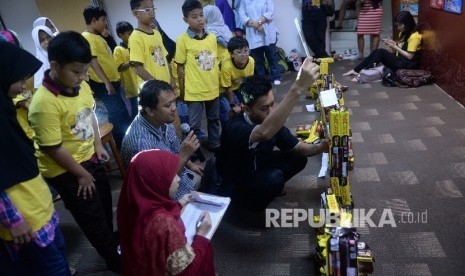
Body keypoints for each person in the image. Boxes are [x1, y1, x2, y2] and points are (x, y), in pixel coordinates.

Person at [28, 31, 121, 273]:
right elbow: (52, 147)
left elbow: (89, 114)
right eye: (76, 72)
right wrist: (80, 174)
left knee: (103, 202)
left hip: (88, 155)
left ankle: (110, 243)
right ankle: (113, 259)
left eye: (85, 70)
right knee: (91, 215)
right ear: (55, 66)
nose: (82, 77)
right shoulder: (44, 103)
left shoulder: (81, 86)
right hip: (65, 169)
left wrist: (98, 145)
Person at [216, 58, 329, 212]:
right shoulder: (234, 127)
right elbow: (264, 132)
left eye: (272, 103)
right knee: (274, 178)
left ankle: (265, 189)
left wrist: (321, 146)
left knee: (298, 158)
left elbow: (298, 148)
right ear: (246, 109)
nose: (271, 111)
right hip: (234, 183)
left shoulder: (271, 122)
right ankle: (247, 212)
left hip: (257, 166)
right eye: (264, 108)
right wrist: (297, 88)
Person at [0, 41, 72, 275]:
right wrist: (12, 221)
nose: (23, 87)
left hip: (39, 208)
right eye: (19, 80)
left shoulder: (5, 111)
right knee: (52, 267)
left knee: (59, 258)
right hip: (23, 221)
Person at [118, 149, 215, 276]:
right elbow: (187, 272)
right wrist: (201, 236)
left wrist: (179, 204)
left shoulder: (132, 204)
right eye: (171, 175)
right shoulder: (165, 224)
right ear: (155, 181)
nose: (178, 179)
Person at [121, 80, 203, 199]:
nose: (174, 108)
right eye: (167, 105)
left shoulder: (163, 121)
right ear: (150, 111)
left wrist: (190, 165)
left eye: (174, 102)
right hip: (166, 199)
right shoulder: (142, 146)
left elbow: (175, 149)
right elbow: (162, 186)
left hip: (182, 179)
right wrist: (184, 156)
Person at [82, 5, 131, 149]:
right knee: (117, 116)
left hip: (111, 82)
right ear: (94, 20)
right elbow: (93, 61)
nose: (105, 23)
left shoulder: (97, 37)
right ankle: (124, 148)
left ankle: (127, 144)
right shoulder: (87, 37)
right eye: (103, 20)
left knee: (121, 113)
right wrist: (107, 82)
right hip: (104, 84)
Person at [175, 0, 221, 152]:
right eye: (194, 17)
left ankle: (215, 144)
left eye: (201, 15)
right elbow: (180, 67)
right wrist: (182, 91)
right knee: (194, 124)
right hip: (194, 91)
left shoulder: (212, 37)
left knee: (214, 119)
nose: (200, 19)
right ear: (185, 20)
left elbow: (214, 63)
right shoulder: (182, 40)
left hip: (212, 87)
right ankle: (192, 151)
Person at [343, 11, 422, 79]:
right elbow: (402, 47)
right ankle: (356, 70)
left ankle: (364, 73)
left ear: (407, 24)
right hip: (400, 60)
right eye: (397, 25)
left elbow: (410, 56)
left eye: (400, 25)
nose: (398, 28)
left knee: (381, 52)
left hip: (407, 64)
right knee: (376, 52)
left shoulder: (415, 37)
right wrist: (394, 44)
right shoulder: (404, 33)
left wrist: (395, 47)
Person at [239, 0, 282, 85]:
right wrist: (256, 25)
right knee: (258, 60)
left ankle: (276, 77)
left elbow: (270, 12)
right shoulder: (244, 1)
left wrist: (258, 23)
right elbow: (242, 16)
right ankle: (262, 80)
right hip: (253, 34)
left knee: (272, 57)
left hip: (268, 32)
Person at [129, 0, 172, 85]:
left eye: (153, 8)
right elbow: (138, 68)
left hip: (165, 84)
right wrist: (157, 86)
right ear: (135, 13)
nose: (152, 12)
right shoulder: (135, 37)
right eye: (147, 10)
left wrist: (171, 78)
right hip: (152, 89)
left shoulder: (156, 33)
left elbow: (164, 59)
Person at [219, 36, 255, 124]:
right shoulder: (227, 66)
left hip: (240, 87)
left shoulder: (251, 61)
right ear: (231, 54)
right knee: (228, 110)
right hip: (224, 89)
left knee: (249, 104)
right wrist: (233, 105)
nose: (243, 55)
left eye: (246, 51)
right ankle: (228, 131)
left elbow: (248, 82)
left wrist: (244, 103)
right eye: (239, 52)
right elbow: (228, 88)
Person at [114, 21, 139, 120]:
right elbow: (119, 67)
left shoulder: (134, 46)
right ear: (121, 35)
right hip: (131, 86)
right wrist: (131, 62)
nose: (132, 35)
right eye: (129, 34)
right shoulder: (118, 49)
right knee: (135, 110)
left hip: (141, 83)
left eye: (132, 33)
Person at [32, 25, 54, 90]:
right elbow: (39, 88)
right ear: (37, 43)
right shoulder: (38, 63)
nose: (47, 42)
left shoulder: (60, 52)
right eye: (42, 40)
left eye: (48, 37)